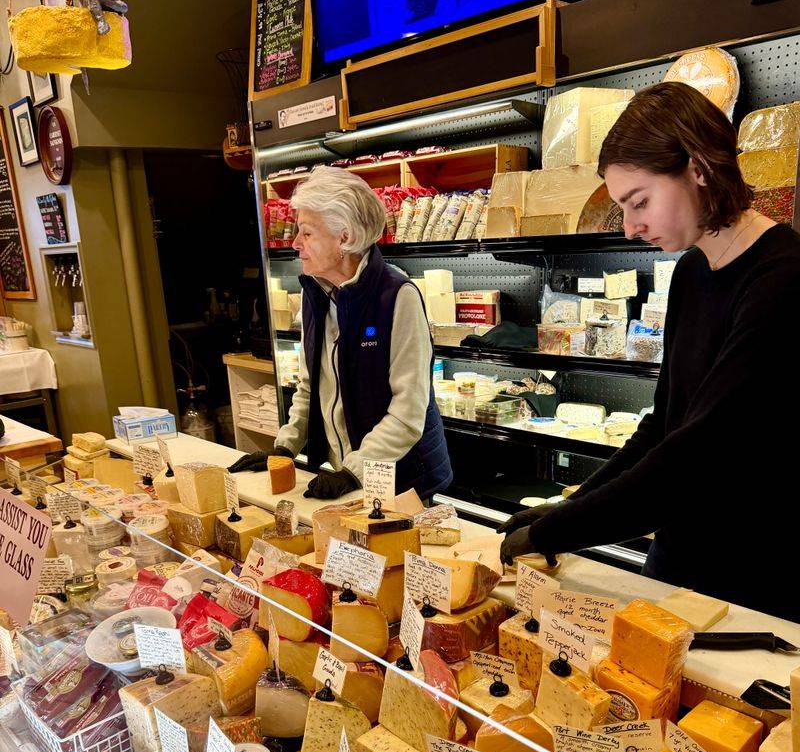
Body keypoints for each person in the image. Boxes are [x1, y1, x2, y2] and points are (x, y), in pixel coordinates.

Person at [499, 81, 800, 621]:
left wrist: (559, 529)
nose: (631, 227)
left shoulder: (782, 280)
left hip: (753, 580)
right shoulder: (691, 270)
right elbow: (663, 424)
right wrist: (568, 505)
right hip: (678, 558)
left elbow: (700, 456)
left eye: (639, 202)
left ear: (698, 169)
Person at [231, 166, 452, 500]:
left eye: (307, 233)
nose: (295, 243)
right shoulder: (314, 294)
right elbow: (310, 386)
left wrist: (354, 471)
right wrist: (286, 446)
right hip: (347, 473)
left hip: (404, 481)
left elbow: (408, 410)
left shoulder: (397, 296)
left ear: (344, 238)